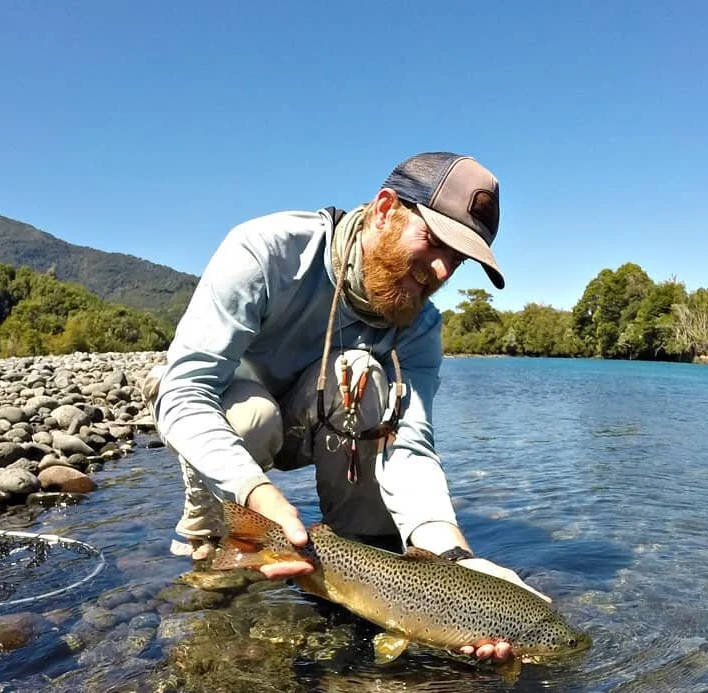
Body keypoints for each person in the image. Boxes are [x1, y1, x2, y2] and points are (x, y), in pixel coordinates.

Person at [149, 151, 549, 662]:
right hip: (235, 416)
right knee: (253, 419)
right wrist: (258, 495)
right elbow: (186, 390)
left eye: (459, 259)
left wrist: (453, 558)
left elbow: (410, 447)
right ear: (384, 209)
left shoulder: (421, 327)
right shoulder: (268, 250)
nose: (442, 270)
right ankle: (211, 532)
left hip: (314, 421)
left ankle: (344, 569)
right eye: (434, 240)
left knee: (358, 371)